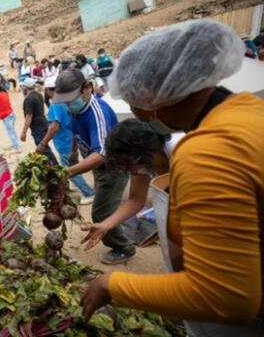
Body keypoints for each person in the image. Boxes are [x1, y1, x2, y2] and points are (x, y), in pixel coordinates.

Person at [80, 20, 264, 335]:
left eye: (133, 104)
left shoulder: (206, 152)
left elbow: (228, 298)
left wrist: (114, 285)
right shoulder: (251, 111)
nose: (135, 113)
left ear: (150, 96)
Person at [53, 68, 134, 264]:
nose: (68, 105)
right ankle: (119, 230)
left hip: (114, 167)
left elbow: (101, 154)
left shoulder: (96, 112)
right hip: (99, 168)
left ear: (87, 88)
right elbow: (75, 131)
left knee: (101, 211)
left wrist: (66, 172)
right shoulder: (76, 110)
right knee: (106, 204)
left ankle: (124, 247)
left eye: (71, 99)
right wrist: (74, 152)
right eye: (64, 101)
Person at [81, 119, 184, 249]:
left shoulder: (182, 151)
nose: (132, 171)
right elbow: (135, 199)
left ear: (149, 151)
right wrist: (105, 225)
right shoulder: (143, 160)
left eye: (130, 165)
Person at [40, 77, 94, 204]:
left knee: (70, 170)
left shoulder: (55, 105)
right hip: (72, 139)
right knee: (73, 167)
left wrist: (43, 143)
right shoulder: (66, 100)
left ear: (48, 90)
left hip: (64, 142)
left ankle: (89, 192)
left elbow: (54, 126)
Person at [20, 78, 58, 165]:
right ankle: (50, 168)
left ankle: (56, 168)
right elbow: (42, 109)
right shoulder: (39, 95)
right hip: (44, 123)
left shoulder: (28, 99)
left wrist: (24, 132)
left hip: (37, 127)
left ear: (25, 87)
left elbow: (29, 116)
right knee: (45, 148)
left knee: (44, 149)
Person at [0, 84, 20, 150]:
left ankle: (16, 147)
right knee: (12, 131)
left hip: (7, 117)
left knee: (10, 132)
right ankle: (15, 144)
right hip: (11, 115)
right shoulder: (4, 93)